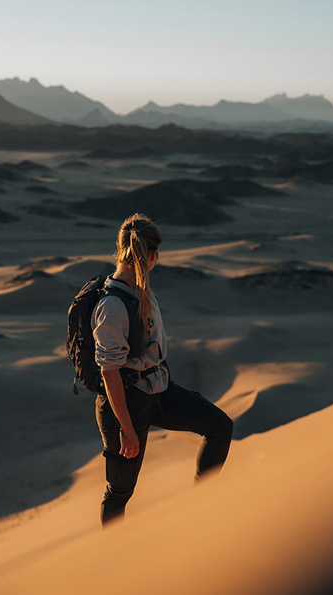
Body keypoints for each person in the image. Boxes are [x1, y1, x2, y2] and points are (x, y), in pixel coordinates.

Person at [93, 213, 234, 526]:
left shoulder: (140, 292)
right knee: (119, 491)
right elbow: (109, 372)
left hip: (157, 390)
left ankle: (201, 509)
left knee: (219, 427)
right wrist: (127, 429)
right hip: (126, 404)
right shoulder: (113, 306)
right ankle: (107, 560)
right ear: (152, 256)